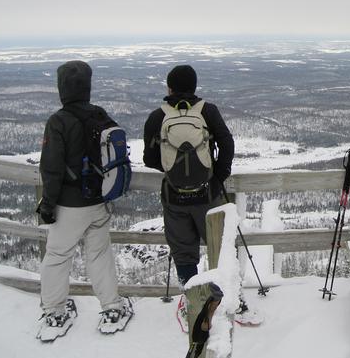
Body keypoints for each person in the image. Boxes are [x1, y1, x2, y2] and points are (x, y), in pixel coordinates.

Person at [36, 60, 133, 341]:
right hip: (99, 201)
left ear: (62, 88)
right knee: (100, 256)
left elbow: (51, 168)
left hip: (69, 204)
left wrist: (48, 204)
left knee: (57, 257)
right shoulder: (100, 115)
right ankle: (112, 308)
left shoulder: (58, 121)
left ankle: (55, 312)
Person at [142, 64, 234, 330]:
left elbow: (149, 159)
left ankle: (193, 303)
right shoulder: (207, 111)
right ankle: (226, 299)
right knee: (221, 248)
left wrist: (173, 171)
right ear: (195, 86)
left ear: (169, 88)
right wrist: (216, 178)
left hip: (174, 198)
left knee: (184, 254)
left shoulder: (157, 116)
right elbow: (227, 144)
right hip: (207, 195)